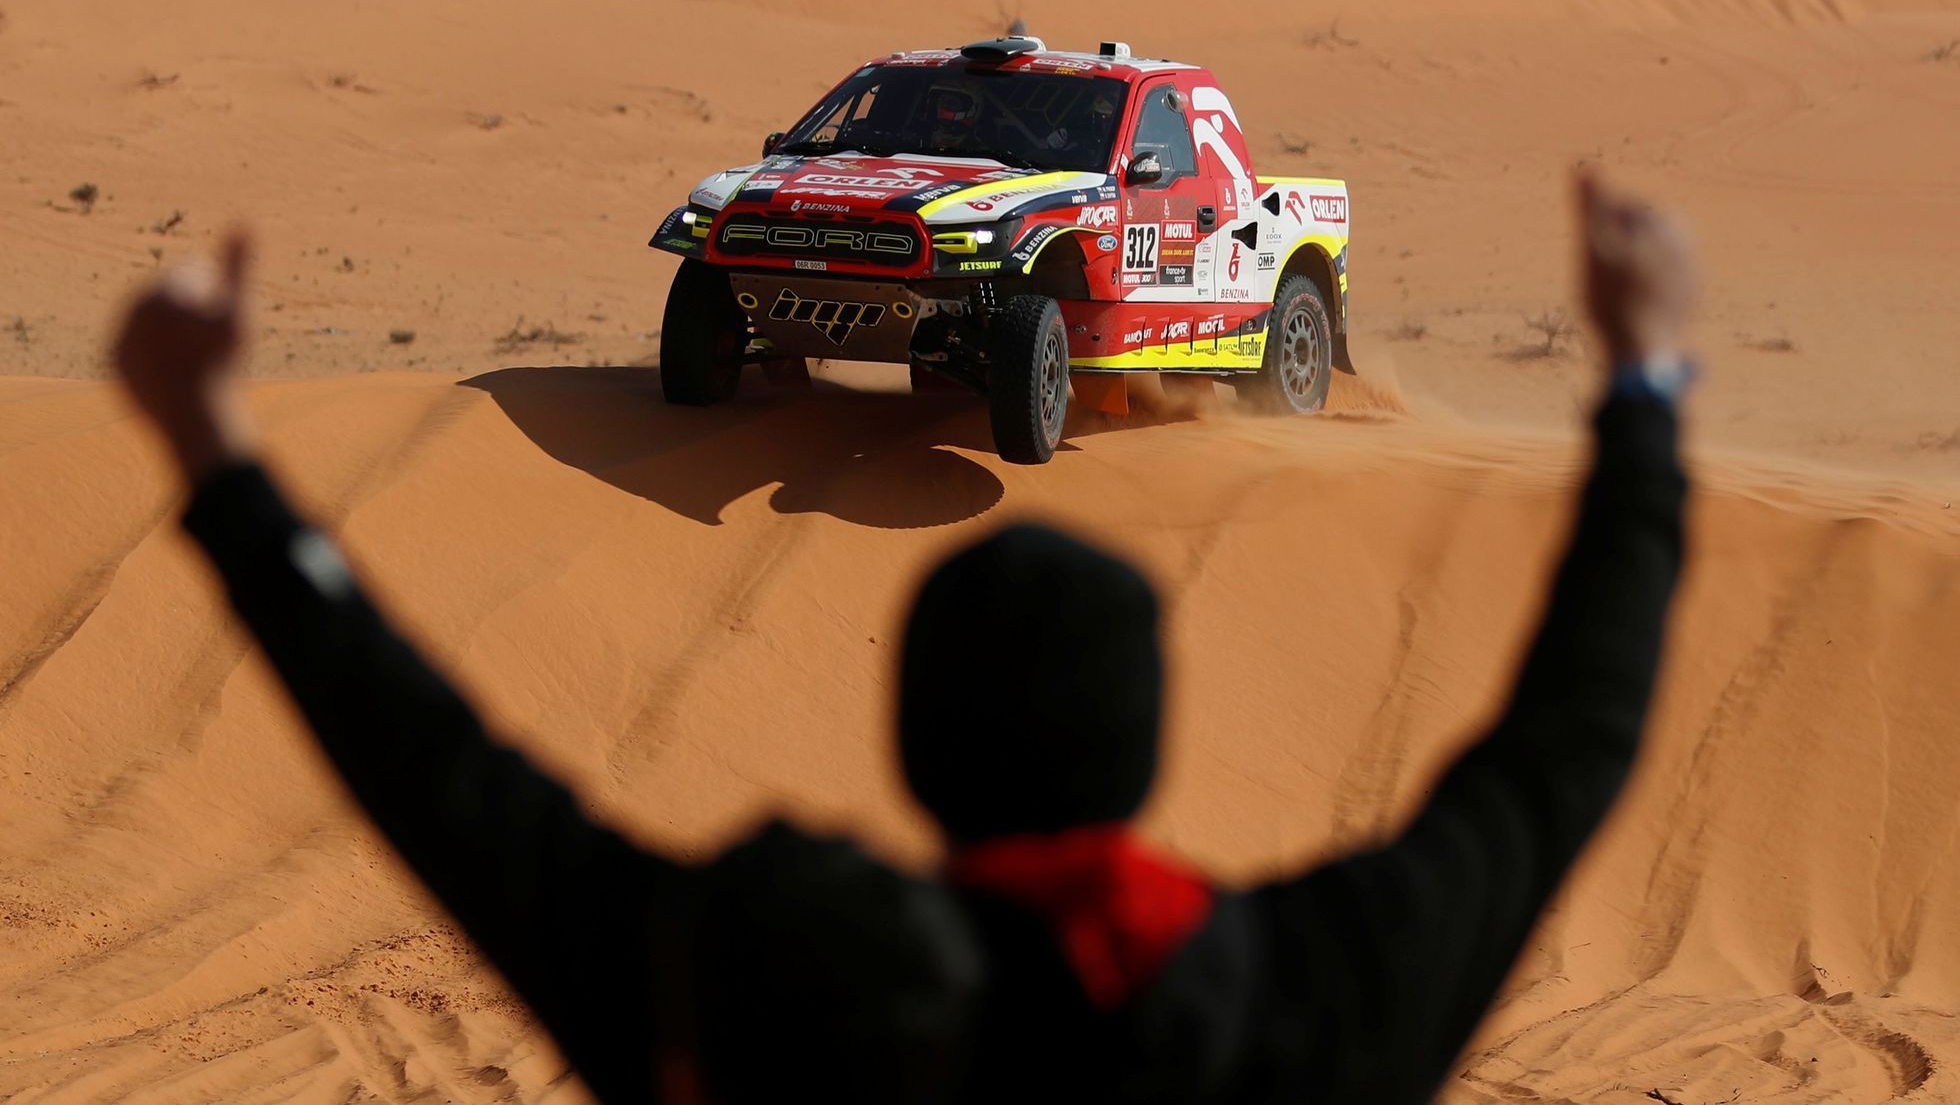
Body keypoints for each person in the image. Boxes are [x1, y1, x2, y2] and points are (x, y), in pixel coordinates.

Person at [113, 172, 1695, 1103]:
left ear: (909, 737)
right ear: (1153, 736)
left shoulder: (760, 985)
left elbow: (447, 783)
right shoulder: (1304, 1005)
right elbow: (1565, 748)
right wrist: (1645, 386)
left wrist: (215, 451)